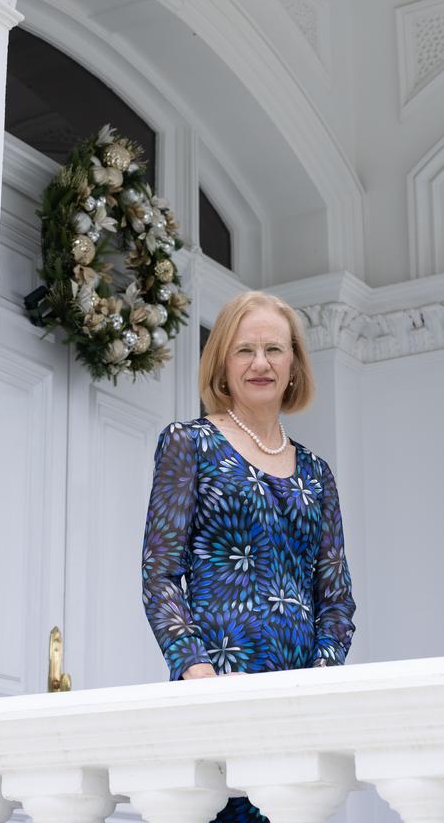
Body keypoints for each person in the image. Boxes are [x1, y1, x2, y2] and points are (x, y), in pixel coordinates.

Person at [141, 291, 356, 823]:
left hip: (299, 709)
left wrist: (318, 679)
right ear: (221, 364)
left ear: (293, 367)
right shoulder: (188, 444)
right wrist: (196, 673)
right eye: (244, 350)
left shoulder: (316, 472)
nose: (260, 363)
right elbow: (160, 575)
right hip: (218, 696)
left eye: (274, 350)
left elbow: (336, 596)